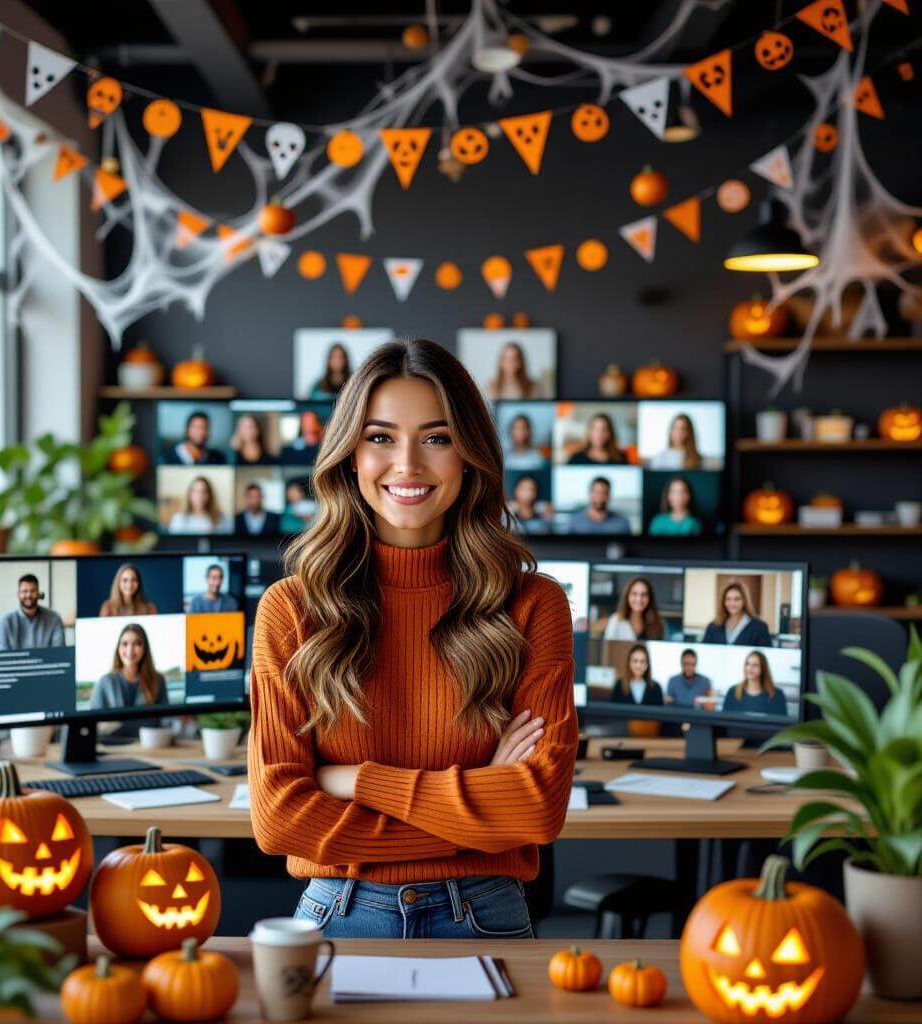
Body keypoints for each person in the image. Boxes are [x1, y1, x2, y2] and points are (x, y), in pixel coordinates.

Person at [248, 338, 577, 940]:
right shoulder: (291, 610)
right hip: (337, 910)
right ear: (349, 455)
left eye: (437, 437)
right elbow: (278, 820)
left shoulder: (533, 605)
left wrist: (349, 779)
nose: (407, 465)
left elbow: (536, 809)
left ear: (470, 454)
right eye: (380, 438)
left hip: (486, 913)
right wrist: (478, 813)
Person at [89, 623, 168, 735]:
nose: (130, 650)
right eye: (125, 644)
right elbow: (92, 724)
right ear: (118, 648)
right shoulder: (105, 682)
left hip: (147, 747)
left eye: (137, 644)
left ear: (145, 648)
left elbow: (164, 722)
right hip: (112, 747)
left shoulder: (158, 680)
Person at [0, 574, 65, 651]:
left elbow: (58, 653)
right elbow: (0, 656)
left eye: (32, 591)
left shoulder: (54, 619)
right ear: (18, 594)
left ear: (38, 593)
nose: (28, 595)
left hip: (46, 663)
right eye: (24, 591)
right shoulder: (5, 622)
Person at [702, 580, 772, 646]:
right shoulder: (713, 627)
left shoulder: (759, 627)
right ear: (723, 601)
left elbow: (765, 656)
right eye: (728, 599)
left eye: (737, 599)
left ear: (744, 601)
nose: (732, 603)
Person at [723, 651, 787, 716]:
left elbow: (782, 724)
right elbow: (724, 721)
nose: (749, 668)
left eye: (755, 665)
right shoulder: (732, 692)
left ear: (763, 668)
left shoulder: (777, 695)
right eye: (747, 664)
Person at [603, 576, 664, 641]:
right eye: (634, 594)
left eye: (644, 594)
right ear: (627, 596)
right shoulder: (615, 620)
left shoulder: (657, 623)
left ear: (649, 598)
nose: (639, 599)